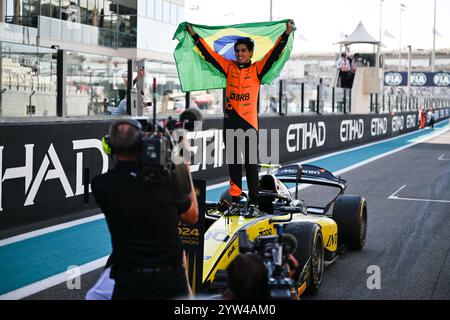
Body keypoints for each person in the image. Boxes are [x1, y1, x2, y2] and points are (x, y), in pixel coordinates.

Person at [186, 20, 295, 217]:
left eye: (243, 50)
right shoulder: (227, 67)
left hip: (249, 124)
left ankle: (254, 203)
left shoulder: (257, 70)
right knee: (234, 163)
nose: (239, 54)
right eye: (237, 51)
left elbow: (275, 53)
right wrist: (194, 35)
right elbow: (209, 55)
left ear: (251, 53)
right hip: (230, 123)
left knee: (251, 165)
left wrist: (286, 33)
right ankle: (235, 201)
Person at [91, 119, 198, 299]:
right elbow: (191, 216)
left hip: (128, 281)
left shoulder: (101, 186)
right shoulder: (167, 182)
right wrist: (183, 165)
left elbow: (126, 181)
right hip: (170, 280)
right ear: (141, 145)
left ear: (109, 146)